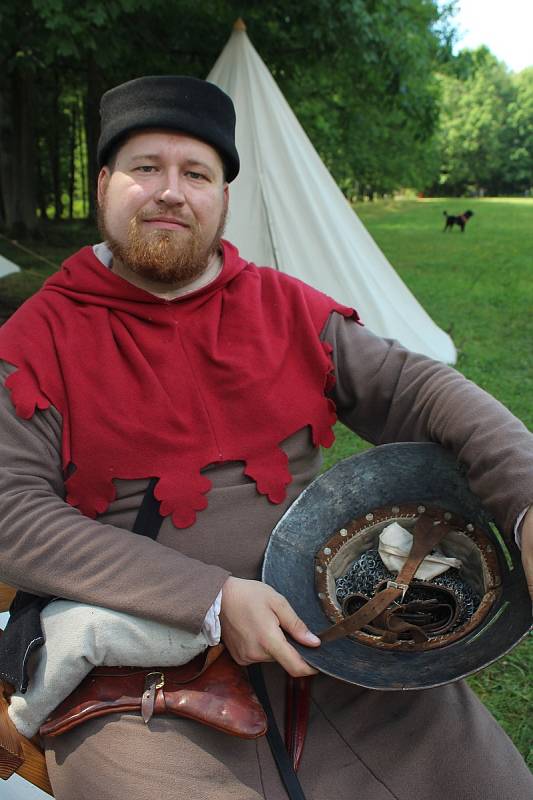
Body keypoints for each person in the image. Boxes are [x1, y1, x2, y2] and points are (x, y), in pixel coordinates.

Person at [0, 75, 531, 800]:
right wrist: (212, 598)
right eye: (145, 168)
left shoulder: (286, 307)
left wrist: (526, 500)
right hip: (141, 682)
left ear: (222, 197)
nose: (169, 191)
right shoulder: (38, 336)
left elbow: (420, 390)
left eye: (196, 174)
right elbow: (11, 512)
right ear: (104, 184)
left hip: (338, 641)